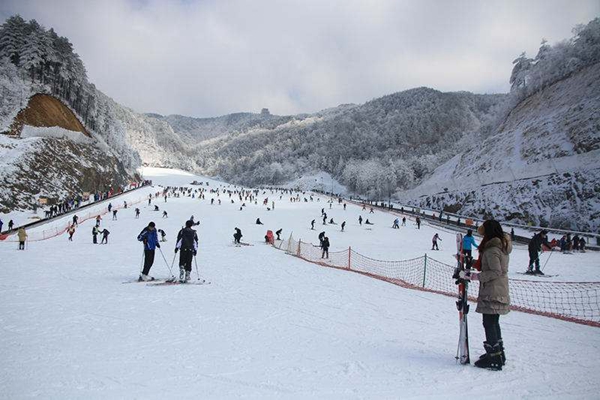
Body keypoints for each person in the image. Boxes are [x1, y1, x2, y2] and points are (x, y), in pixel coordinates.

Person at [459, 220, 511, 371]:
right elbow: (486, 265)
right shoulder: (499, 246)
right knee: (493, 321)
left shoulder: (492, 249)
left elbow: (495, 271)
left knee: (489, 322)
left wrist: (473, 276)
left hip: (493, 290)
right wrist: (470, 261)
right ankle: (498, 354)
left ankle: (494, 358)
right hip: (497, 288)